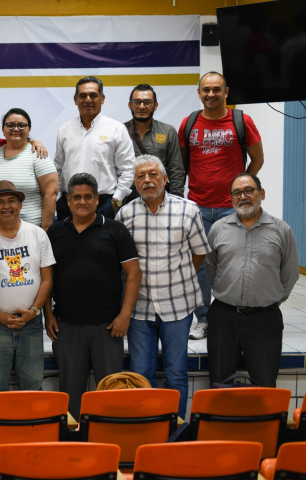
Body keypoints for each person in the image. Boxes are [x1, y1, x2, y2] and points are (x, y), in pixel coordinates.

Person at [116, 156, 208, 417]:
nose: (147, 180)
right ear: (134, 183)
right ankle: (148, 426)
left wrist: (178, 276)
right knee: (141, 374)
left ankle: (175, 428)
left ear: (165, 179)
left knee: (176, 373)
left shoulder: (188, 210)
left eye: (153, 174)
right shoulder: (126, 213)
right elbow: (122, 261)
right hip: (140, 307)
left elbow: (199, 253)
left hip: (178, 305)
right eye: (141, 176)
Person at [45, 173, 141, 418]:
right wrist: (47, 314)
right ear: (67, 200)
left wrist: (125, 315)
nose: (82, 202)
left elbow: (133, 274)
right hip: (67, 327)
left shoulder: (116, 230)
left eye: (88, 197)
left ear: (98, 199)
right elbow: (46, 279)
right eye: (76, 197)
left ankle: (108, 444)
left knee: (109, 394)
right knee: (71, 393)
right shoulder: (54, 232)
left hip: (108, 327)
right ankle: (74, 447)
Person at [179, 72, 265, 341]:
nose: (211, 94)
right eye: (206, 90)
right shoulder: (189, 123)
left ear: (226, 92)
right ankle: (203, 319)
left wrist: (241, 192)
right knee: (200, 266)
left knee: (235, 263)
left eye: (217, 89)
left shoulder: (241, 121)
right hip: (197, 207)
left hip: (232, 209)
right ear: (199, 92)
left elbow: (257, 160)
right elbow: (182, 165)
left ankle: (233, 317)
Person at [205, 173, 298, 388]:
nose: (243, 197)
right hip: (223, 318)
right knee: (219, 384)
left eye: (249, 191)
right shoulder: (218, 229)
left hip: (265, 320)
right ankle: (221, 423)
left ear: (261, 193)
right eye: (237, 193)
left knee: (265, 384)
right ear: (231, 198)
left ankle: (263, 423)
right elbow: (211, 268)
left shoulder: (281, 230)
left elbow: (290, 274)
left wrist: (268, 299)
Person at [0, 180, 54, 392]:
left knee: (33, 386)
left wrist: (34, 310)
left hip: (32, 324)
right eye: (0, 202)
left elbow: (47, 278)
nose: (6, 206)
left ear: (21, 205)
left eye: (12, 200)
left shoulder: (38, 234)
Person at [53, 76, 135, 221]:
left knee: (102, 244)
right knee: (67, 244)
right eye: (82, 96)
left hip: (104, 204)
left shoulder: (116, 129)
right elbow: (58, 168)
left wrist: (116, 201)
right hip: (68, 204)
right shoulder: (65, 129)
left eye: (93, 95)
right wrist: (58, 198)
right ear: (75, 99)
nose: (88, 100)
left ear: (102, 98)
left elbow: (128, 170)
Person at [0, 108, 58, 230]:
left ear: (29, 129)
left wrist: (45, 230)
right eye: (10, 125)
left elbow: (50, 194)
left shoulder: (38, 153)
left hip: (31, 228)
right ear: (3, 130)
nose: (16, 129)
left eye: (22, 125)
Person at [124, 85, 185, 197]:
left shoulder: (168, 131)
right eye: (137, 102)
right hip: (127, 197)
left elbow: (176, 170)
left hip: (159, 196)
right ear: (130, 105)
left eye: (147, 102)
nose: (141, 106)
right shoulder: (119, 131)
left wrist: (177, 199)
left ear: (155, 105)